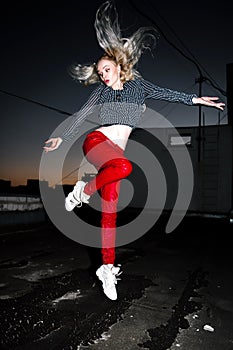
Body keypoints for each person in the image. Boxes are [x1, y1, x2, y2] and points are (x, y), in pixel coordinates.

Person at [43, 1, 225, 300]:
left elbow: (169, 93)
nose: (103, 75)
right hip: (97, 143)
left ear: (118, 66)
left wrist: (197, 100)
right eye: (99, 71)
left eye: (106, 69)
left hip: (115, 153)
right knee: (125, 168)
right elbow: (80, 115)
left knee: (110, 213)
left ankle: (106, 268)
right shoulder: (101, 92)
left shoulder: (139, 87)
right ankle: (82, 192)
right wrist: (62, 139)